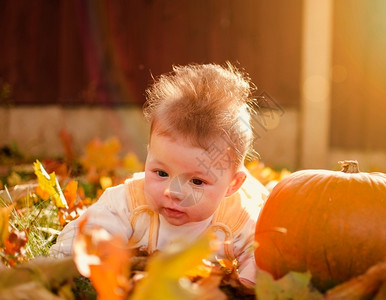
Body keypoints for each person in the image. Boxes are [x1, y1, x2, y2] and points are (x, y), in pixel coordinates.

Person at [49, 62, 269, 286]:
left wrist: (243, 285)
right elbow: (84, 234)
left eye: (196, 181)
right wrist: (65, 265)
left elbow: (263, 256)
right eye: (161, 172)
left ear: (232, 184)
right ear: (148, 156)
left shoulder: (238, 220)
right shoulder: (130, 202)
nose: (172, 192)